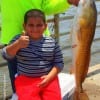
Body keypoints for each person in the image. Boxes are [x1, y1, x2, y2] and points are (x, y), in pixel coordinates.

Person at [1, 0, 80, 98]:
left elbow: (47, 5)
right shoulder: (16, 41)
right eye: (31, 26)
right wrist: (17, 44)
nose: (34, 28)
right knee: (19, 93)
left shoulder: (51, 43)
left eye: (38, 25)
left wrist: (66, 1)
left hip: (43, 42)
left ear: (45, 26)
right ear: (24, 26)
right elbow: (6, 54)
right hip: (14, 41)